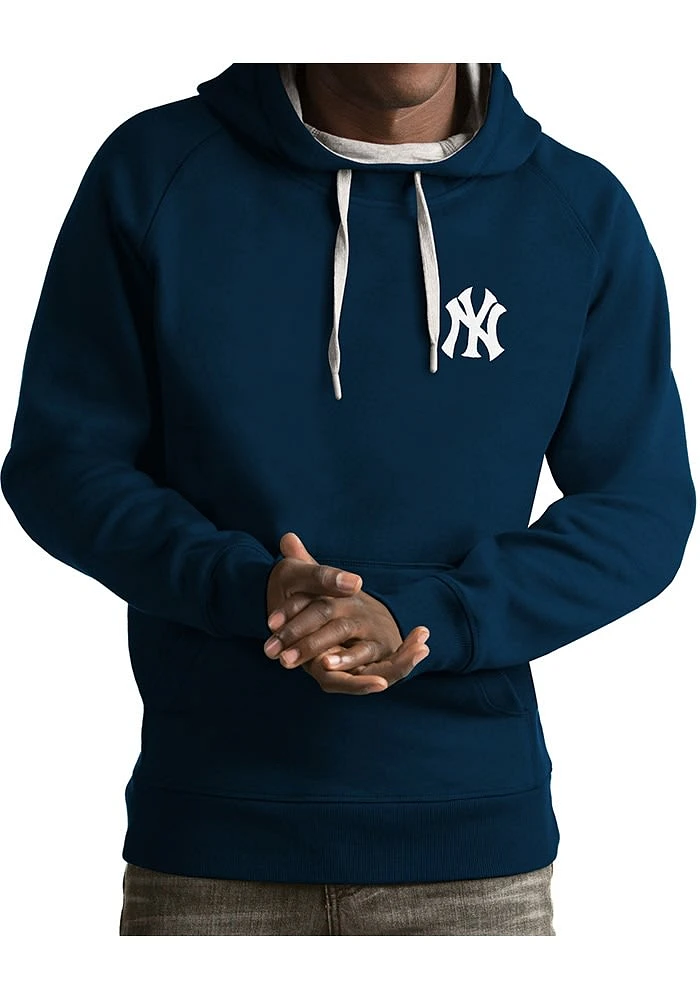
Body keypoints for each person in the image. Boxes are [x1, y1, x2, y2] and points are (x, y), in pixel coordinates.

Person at [0, 62, 694, 937]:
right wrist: (250, 588)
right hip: (213, 844)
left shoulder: (576, 209)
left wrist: (425, 616)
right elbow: (64, 464)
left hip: (473, 854)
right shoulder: (157, 171)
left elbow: (641, 509)